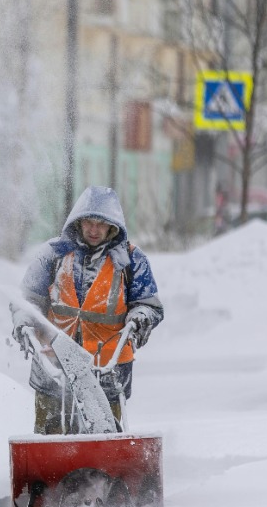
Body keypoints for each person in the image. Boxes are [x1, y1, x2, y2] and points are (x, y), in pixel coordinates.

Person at [17, 186, 163, 434]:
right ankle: (50, 470)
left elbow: (148, 304)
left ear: (113, 226)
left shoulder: (130, 261)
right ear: (78, 221)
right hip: (54, 360)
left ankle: (105, 470)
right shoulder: (53, 254)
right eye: (88, 222)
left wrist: (139, 318)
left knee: (105, 431)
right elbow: (28, 299)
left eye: (101, 224)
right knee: (50, 430)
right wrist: (24, 321)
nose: (93, 230)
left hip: (107, 365)